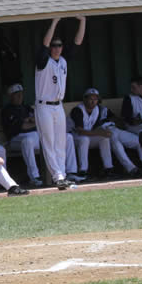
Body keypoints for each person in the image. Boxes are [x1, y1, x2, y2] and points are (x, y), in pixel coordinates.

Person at [34, 16, 86, 189]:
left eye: (59, 45)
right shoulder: (43, 61)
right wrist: (55, 22)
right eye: (54, 45)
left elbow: (77, 43)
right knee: (49, 141)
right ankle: (57, 177)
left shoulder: (63, 60)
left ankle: (62, 174)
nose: (56, 48)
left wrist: (83, 21)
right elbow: (44, 45)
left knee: (61, 142)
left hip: (58, 106)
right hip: (44, 106)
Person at [1, 83, 82, 187]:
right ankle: (35, 177)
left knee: (68, 137)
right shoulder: (7, 110)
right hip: (16, 139)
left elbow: (37, 121)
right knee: (28, 140)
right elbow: (22, 127)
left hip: (35, 135)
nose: (20, 96)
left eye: (21, 94)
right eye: (17, 94)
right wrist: (33, 122)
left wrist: (31, 121)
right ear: (10, 96)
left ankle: (71, 172)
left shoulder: (26, 108)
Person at [70, 88, 142, 179]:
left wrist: (101, 132)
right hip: (72, 136)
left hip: (89, 135)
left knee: (104, 138)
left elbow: (114, 120)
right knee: (85, 139)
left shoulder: (97, 110)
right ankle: (83, 171)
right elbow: (80, 131)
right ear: (85, 99)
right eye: (90, 99)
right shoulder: (78, 110)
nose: (93, 101)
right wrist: (98, 132)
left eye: (95, 99)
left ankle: (108, 168)